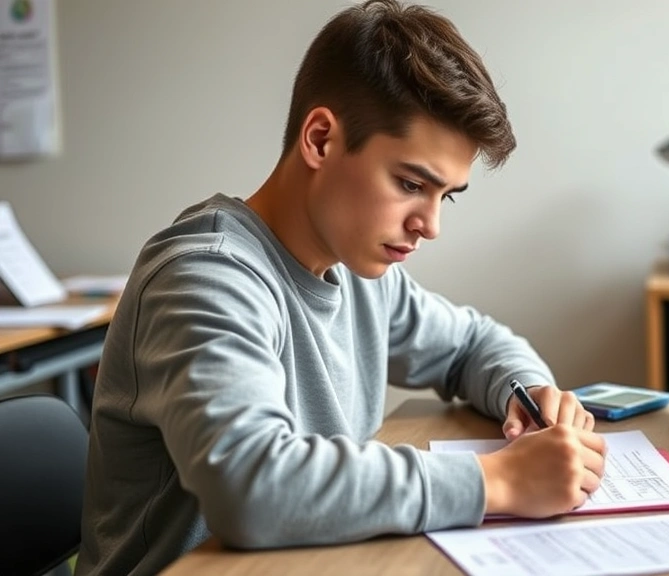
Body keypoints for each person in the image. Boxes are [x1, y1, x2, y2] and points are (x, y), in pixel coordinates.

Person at [75, 1, 607, 574]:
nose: (430, 225)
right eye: (410, 183)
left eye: (445, 195)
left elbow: (472, 344)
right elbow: (253, 487)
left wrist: (525, 393)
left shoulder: (359, 272)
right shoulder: (204, 276)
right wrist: (496, 480)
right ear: (321, 139)